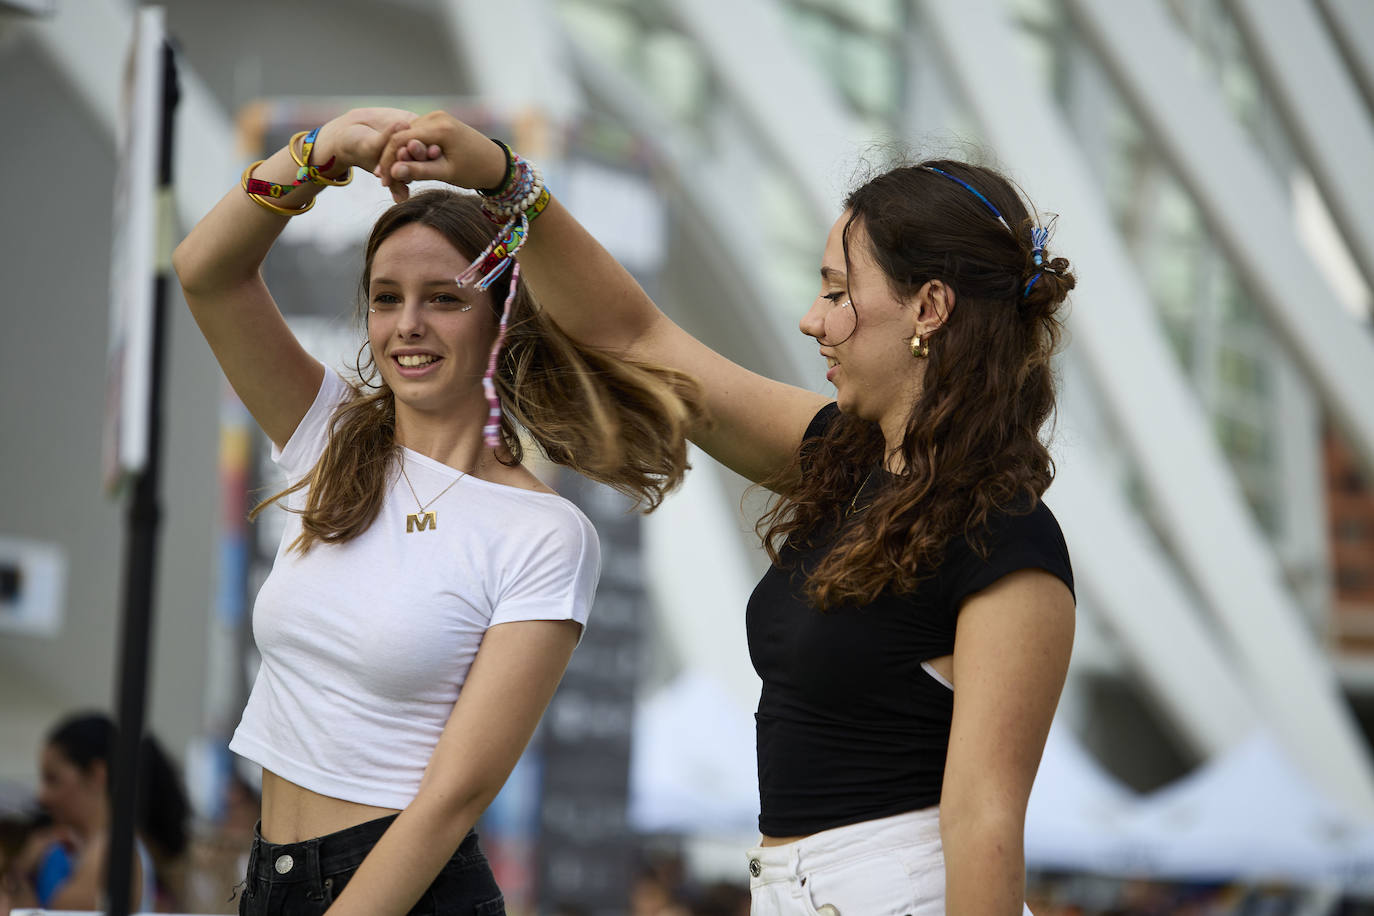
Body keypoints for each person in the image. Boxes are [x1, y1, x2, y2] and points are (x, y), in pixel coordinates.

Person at [373, 113, 1077, 915]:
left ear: (930, 307)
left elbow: (985, 819)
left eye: (838, 292)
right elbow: (633, 334)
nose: (812, 318)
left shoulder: (1010, 537)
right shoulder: (845, 460)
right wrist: (504, 181)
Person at [171, 107, 700, 916]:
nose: (407, 325)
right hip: (270, 879)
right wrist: (319, 153)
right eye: (387, 298)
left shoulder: (545, 534)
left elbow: (454, 798)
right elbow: (207, 272)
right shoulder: (331, 435)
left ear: (501, 317)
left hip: (406, 892)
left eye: (443, 298)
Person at [1, 711, 191, 913]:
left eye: (53, 779)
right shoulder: (95, 848)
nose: (42, 796)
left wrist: (18, 876)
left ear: (97, 774)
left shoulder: (108, 851)